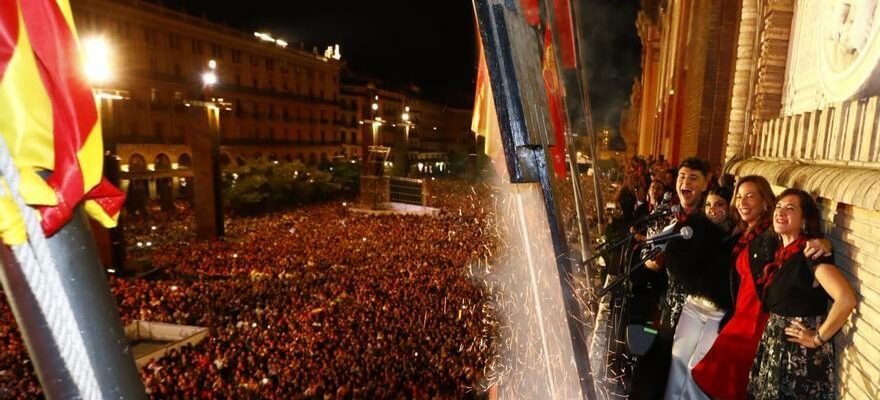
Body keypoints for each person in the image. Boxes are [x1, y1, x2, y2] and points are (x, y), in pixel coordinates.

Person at [692, 177, 831, 400]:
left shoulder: (771, 232)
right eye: (739, 196)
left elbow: (803, 242)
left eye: (750, 195)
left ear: (766, 202)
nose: (742, 201)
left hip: (755, 322)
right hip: (741, 317)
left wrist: (824, 243)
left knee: (721, 381)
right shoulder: (744, 233)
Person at [747, 189, 856, 400]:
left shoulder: (811, 254)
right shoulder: (781, 253)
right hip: (776, 349)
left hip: (798, 358)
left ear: (804, 219)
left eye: (790, 208)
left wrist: (816, 338)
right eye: (778, 207)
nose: (780, 212)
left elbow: (846, 299)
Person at [644, 157, 732, 400]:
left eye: (693, 177)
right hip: (673, 311)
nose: (686, 182)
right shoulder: (670, 218)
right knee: (669, 374)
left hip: (709, 313)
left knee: (695, 376)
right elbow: (649, 259)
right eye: (682, 176)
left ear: (706, 183)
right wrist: (656, 259)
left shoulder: (717, 220)